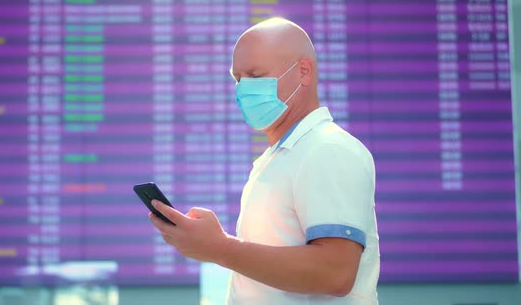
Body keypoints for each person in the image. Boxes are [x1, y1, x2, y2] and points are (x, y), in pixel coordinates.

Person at [148, 18, 380, 304]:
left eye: (256, 76)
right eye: (238, 79)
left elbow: (335, 273)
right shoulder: (280, 158)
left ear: (304, 71)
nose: (244, 88)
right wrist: (215, 246)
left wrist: (219, 248)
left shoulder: (328, 149)